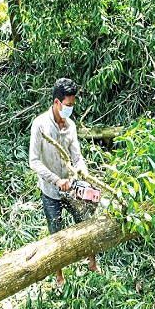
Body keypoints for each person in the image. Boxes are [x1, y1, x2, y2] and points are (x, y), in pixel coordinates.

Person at [29, 77, 100, 286]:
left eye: (72, 105)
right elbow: (33, 160)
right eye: (67, 105)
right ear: (57, 102)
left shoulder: (71, 126)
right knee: (56, 234)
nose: (70, 109)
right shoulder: (40, 125)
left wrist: (82, 176)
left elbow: (77, 157)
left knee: (85, 222)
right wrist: (56, 180)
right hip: (51, 191)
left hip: (72, 188)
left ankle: (92, 262)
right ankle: (60, 276)